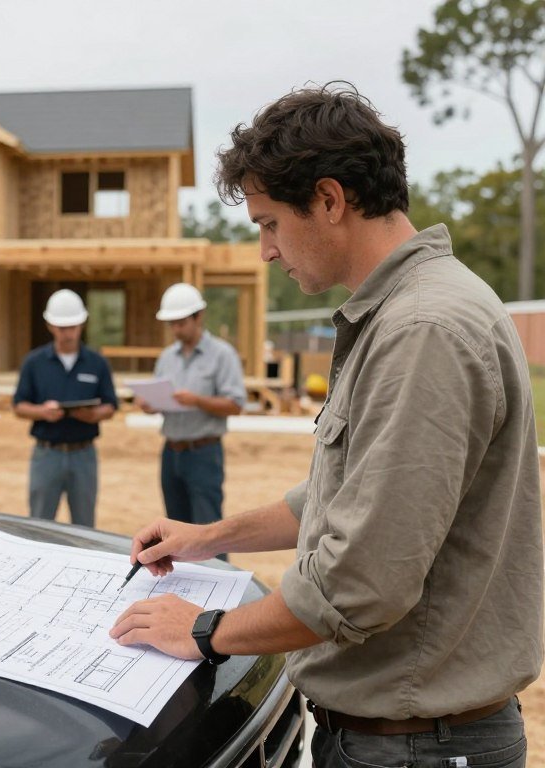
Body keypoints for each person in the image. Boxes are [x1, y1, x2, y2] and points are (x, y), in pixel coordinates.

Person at [110, 84, 542, 768]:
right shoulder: (409, 313)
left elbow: (361, 581)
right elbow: (347, 500)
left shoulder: (421, 330)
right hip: (408, 738)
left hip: (413, 746)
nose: (265, 251)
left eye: (269, 223)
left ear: (330, 200)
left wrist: (202, 630)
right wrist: (212, 536)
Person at [143, 283, 244, 529]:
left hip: (204, 455)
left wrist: (197, 401)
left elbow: (235, 404)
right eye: (172, 323)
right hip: (170, 453)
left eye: (181, 322)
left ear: (198, 316)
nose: (175, 329)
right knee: (176, 530)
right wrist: (150, 403)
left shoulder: (222, 355)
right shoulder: (166, 357)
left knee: (209, 529)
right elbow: (159, 396)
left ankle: (216, 569)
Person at [13, 289, 118, 527]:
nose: (67, 333)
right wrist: (42, 412)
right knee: (40, 524)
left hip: (84, 455)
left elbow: (111, 405)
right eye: (62, 328)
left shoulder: (97, 363)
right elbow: (19, 406)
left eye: (72, 327)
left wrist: (93, 415)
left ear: (82, 324)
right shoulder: (34, 363)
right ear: (50, 325)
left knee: (84, 526)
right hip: (47, 454)